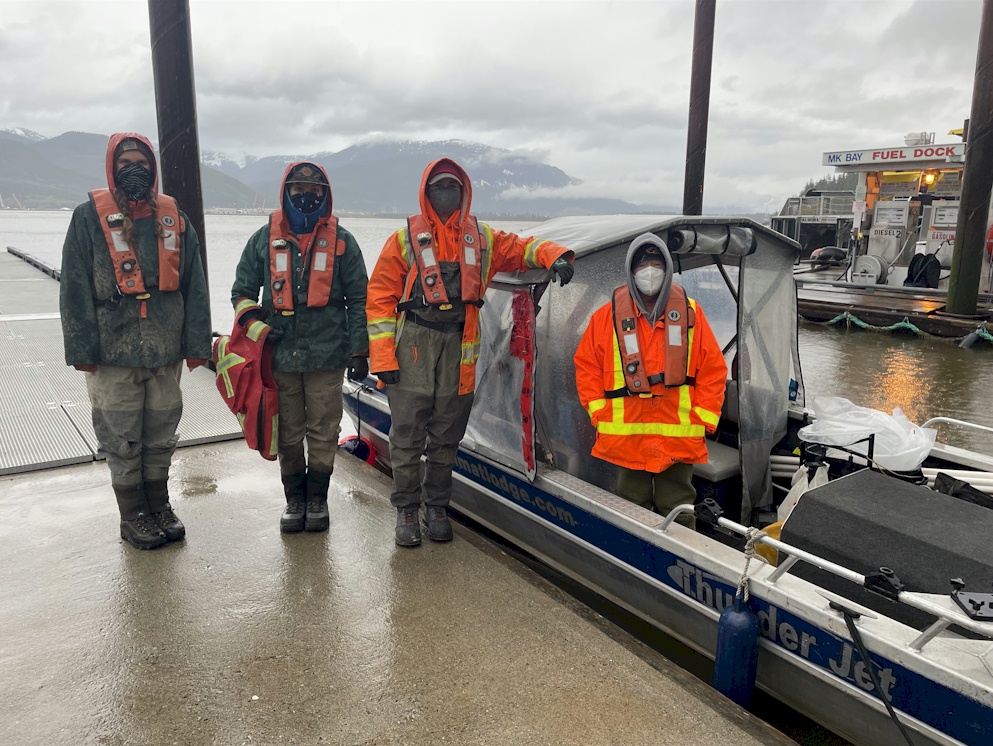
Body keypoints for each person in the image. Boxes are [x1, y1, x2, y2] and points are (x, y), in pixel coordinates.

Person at [366, 158, 575, 547]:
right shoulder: (403, 240)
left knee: (448, 434)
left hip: (460, 346)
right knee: (407, 435)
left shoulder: (484, 238)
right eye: (439, 187)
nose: (446, 194)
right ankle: (407, 509)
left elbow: (524, 249)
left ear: (464, 193)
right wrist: (382, 359)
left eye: (452, 187)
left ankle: (437, 507)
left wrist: (557, 255)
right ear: (426, 193)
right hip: (413, 347)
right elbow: (379, 300)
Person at [60, 132, 212, 550]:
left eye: (142, 163)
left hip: (164, 348)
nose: (134, 170)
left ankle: (159, 506)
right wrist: (81, 349)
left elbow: (195, 283)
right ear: (112, 168)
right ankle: (132, 515)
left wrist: (197, 344)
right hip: (113, 349)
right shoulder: (86, 218)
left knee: (161, 432)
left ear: (153, 169)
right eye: (125, 163)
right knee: (121, 435)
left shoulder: (175, 219)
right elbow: (74, 286)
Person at [231, 162, 368, 534]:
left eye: (313, 190)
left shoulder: (344, 242)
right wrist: (258, 329)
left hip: (328, 354)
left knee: (324, 429)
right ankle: (294, 499)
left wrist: (360, 351)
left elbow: (359, 300)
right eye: (298, 190)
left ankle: (317, 499)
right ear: (285, 193)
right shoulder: (262, 240)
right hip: (280, 357)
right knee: (288, 431)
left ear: (325, 195)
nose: (306, 196)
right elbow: (241, 293)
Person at [573, 233, 727, 529]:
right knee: (631, 507)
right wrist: (599, 412)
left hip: (678, 437)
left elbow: (713, 370)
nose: (650, 272)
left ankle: (682, 553)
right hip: (627, 438)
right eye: (642, 265)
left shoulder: (691, 314)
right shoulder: (606, 317)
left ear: (667, 270)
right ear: (631, 271)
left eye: (657, 264)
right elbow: (586, 367)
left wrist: (703, 417)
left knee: (679, 508)